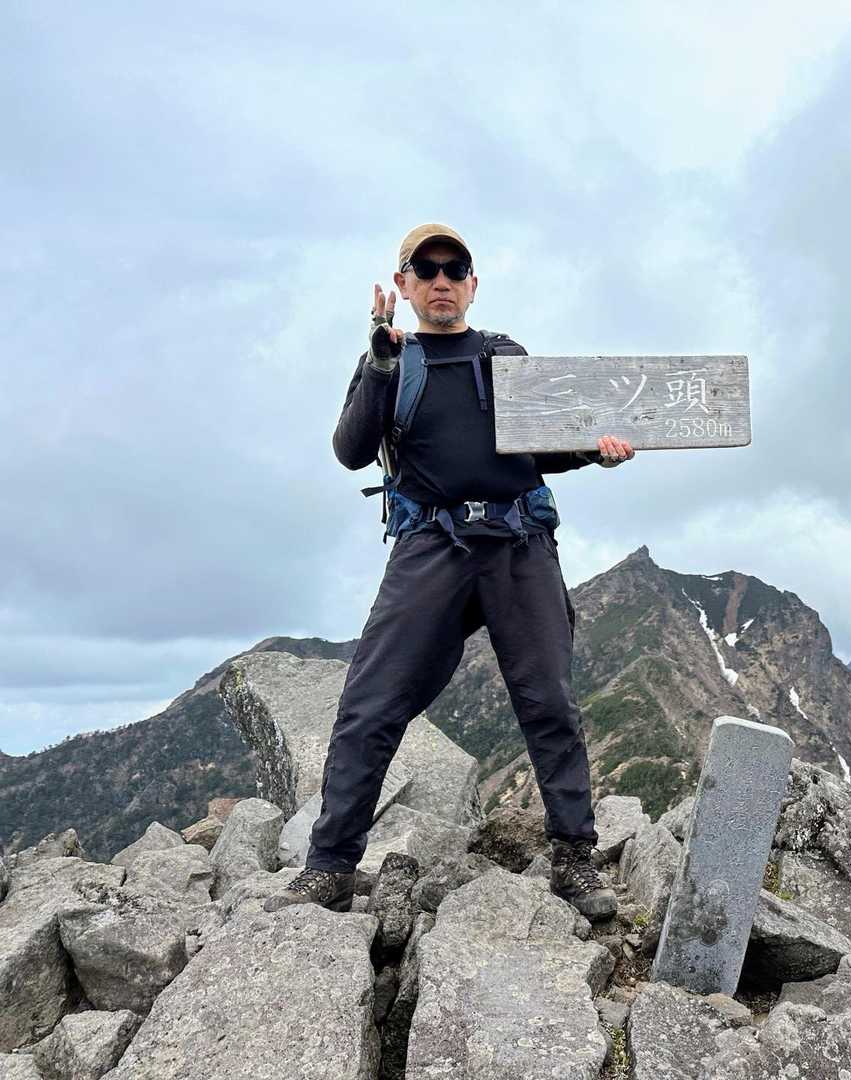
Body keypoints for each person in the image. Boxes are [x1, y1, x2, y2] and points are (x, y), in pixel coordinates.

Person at [264, 223, 633, 920]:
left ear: (472, 284)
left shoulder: (505, 356)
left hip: (519, 540)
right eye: (425, 269)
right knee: (371, 703)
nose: (441, 280)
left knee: (550, 704)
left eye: (453, 268)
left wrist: (596, 451)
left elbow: (546, 446)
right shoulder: (390, 361)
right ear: (403, 285)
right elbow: (351, 450)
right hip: (431, 545)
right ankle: (330, 866)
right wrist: (378, 362)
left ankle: (574, 860)